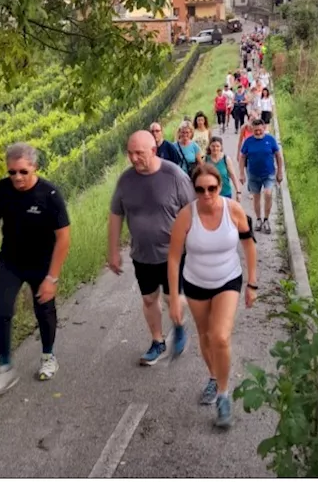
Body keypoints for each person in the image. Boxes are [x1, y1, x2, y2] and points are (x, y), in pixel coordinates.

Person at [166, 163, 258, 428]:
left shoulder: (233, 210)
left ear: (220, 186)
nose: (206, 194)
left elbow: (249, 246)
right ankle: (213, 377)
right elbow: (173, 258)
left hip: (228, 280)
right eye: (200, 189)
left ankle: (223, 394)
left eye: (212, 188)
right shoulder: (186, 216)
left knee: (220, 336)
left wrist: (252, 284)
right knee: (205, 336)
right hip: (195, 283)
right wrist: (174, 296)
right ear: (194, 190)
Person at [0, 143, 71, 396]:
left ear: (34, 168)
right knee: (1, 310)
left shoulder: (50, 195)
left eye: (23, 171)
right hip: (10, 261)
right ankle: (5, 366)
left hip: (42, 262)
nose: (17, 178)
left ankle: (48, 355)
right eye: (12, 172)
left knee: (43, 309)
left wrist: (52, 278)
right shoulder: (1, 190)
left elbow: (63, 238)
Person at [108, 131, 195, 365]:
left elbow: (192, 211)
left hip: (174, 254)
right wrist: (113, 250)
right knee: (149, 299)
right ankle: (157, 342)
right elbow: (116, 214)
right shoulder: (125, 180)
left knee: (171, 297)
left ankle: (178, 325)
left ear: (154, 150)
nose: (134, 158)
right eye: (130, 153)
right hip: (142, 253)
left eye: (139, 153)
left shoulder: (174, 175)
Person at [239, 119, 284, 234]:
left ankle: (266, 219)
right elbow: (243, 157)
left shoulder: (270, 140)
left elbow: (278, 156)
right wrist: (241, 173)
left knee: (268, 194)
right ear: (252, 129)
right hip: (253, 174)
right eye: (255, 131)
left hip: (268, 174)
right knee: (256, 197)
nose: (258, 132)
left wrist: (279, 172)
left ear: (264, 128)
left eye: (260, 130)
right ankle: (258, 219)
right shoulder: (248, 141)